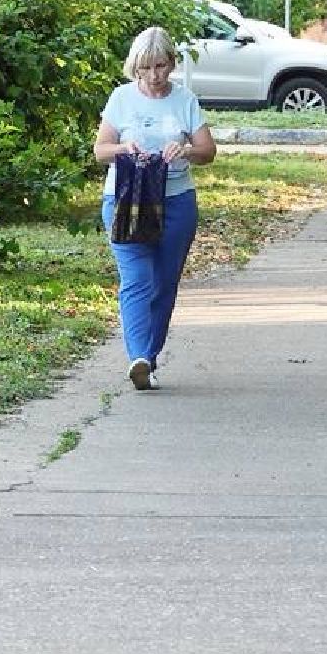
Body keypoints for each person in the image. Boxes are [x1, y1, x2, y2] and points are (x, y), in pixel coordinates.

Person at [94, 26, 218, 391]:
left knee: (164, 284)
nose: (153, 76)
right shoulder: (121, 99)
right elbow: (100, 150)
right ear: (134, 67)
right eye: (145, 68)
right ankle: (138, 357)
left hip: (176, 200)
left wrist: (185, 151)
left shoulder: (185, 101)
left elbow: (208, 151)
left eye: (161, 66)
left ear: (172, 63)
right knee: (136, 280)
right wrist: (123, 148)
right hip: (125, 200)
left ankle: (149, 355)